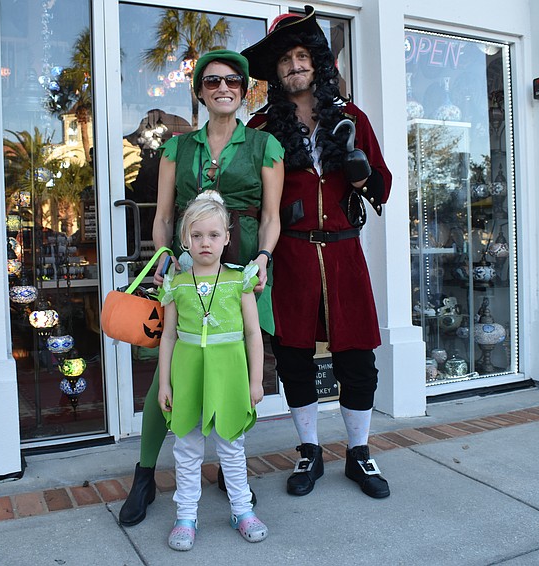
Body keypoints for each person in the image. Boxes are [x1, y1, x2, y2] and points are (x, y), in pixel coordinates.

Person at [119, 49, 284, 526]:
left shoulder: (265, 145)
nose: (223, 88)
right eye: (212, 81)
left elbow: (272, 215)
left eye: (233, 80)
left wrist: (264, 258)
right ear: (200, 91)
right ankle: (146, 474)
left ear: (245, 88)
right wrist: (167, 254)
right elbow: (165, 214)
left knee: (235, 359)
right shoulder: (177, 147)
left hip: (246, 260)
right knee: (169, 375)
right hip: (190, 265)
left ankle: (233, 475)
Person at [241, 6, 393, 499]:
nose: (294, 66)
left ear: (318, 63)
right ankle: (309, 452)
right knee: (295, 358)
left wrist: (359, 167)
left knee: (357, 361)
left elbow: (384, 188)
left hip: (345, 256)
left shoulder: (351, 117)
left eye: (302, 56)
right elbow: (248, 196)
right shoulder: (262, 126)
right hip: (292, 258)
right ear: (276, 72)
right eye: (285, 60)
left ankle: (358, 454)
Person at [158, 192, 268, 550]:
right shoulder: (176, 284)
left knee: (232, 447)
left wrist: (255, 380)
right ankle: (186, 515)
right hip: (188, 376)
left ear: (227, 237)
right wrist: (164, 383)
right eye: (197, 235)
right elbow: (168, 336)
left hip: (229, 376)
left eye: (214, 235)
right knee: (187, 449)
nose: (205, 242)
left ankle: (242, 509)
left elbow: (253, 333)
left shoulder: (240, 281)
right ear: (185, 239)